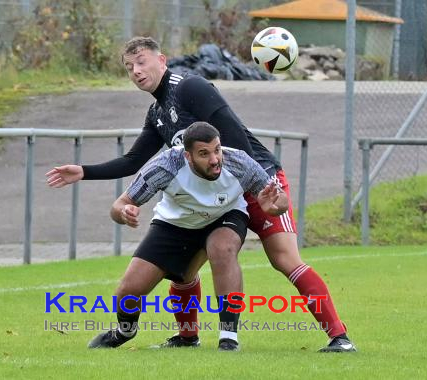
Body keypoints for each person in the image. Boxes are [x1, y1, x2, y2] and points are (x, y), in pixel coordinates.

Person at [46, 36, 356, 352]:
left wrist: (255, 187)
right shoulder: (157, 113)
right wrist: (84, 171)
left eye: (141, 62)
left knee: (285, 259)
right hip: (212, 191)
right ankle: (187, 337)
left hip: (257, 181)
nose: (136, 71)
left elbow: (235, 138)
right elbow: (134, 160)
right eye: (129, 67)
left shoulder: (189, 87)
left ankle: (339, 338)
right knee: (185, 270)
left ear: (161, 60)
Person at [87, 122, 288, 351]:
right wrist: (124, 213)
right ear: (188, 156)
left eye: (217, 150)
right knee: (128, 292)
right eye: (204, 153)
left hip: (224, 216)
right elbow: (119, 205)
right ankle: (125, 331)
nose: (214, 159)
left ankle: (228, 338)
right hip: (175, 223)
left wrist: (274, 206)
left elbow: (280, 199)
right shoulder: (166, 166)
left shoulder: (238, 161)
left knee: (222, 249)